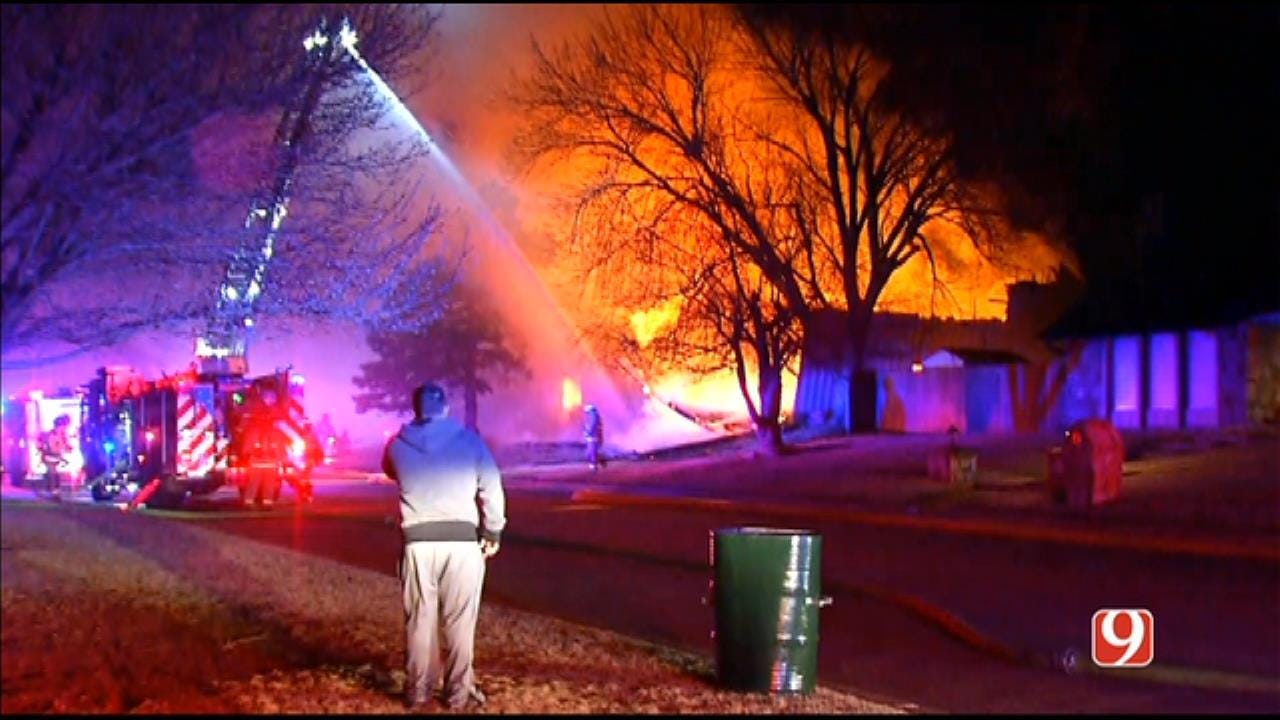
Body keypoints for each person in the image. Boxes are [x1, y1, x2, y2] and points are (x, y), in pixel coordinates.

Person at [382, 382, 505, 711]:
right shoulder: (469, 442)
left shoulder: (397, 446)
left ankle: (418, 692)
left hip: (418, 544)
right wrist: (492, 531)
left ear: (416, 410)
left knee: (419, 622)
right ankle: (458, 694)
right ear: (447, 408)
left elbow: (390, 470)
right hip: (462, 544)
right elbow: (492, 485)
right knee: (460, 624)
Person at [40, 415, 74, 501]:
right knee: (53, 475)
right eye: (64, 426)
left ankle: (54, 492)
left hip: (55, 457)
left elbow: (65, 445)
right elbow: (52, 448)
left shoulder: (62, 435)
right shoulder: (52, 435)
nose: (65, 429)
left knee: (55, 475)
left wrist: (68, 448)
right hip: (49, 457)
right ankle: (54, 492)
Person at [583, 404, 605, 470]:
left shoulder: (593, 415)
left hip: (592, 437)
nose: (586, 413)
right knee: (592, 451)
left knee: (591, 451)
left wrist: (588, 433)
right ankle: (598, 462)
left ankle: (593, 464)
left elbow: (592, 425)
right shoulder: (594, 415)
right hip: (593, 436)